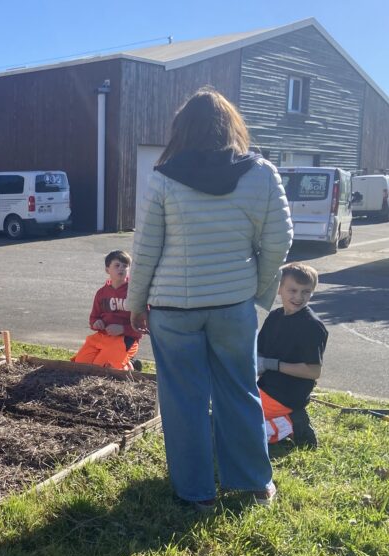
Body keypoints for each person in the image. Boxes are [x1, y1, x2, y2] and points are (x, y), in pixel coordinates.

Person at [128, 87, 293, 510]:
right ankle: (255, 483)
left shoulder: (164, 176)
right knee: (240, 391)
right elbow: (279, 241)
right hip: (233, 305)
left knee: (183, 401)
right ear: (231, 126)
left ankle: (196, 494)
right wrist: (256, 288)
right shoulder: (262, 173)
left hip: (173, 309)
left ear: (183, 129)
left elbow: (146, 247)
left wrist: (135, 303)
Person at [257, 262, 328, 448]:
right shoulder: (275, 317)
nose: (298, 297)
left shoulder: (312, 326)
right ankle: (282, 419)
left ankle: (290, 424)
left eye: (306, 291)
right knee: (226, 409)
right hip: (266, 387)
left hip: (286, 395)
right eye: (293, 290)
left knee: (236, 426)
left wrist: (271, 364)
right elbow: (260, 349)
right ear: (279, 288)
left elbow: (313, 371)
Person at [72, 250, 144, 371]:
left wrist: (122, 329)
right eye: (117, 265)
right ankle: (124, 361)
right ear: (107, 270)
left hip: (125, 338)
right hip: (102, 336)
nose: (121, 269)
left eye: (125, 266)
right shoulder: (101, 293)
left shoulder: (134, 293)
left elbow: (142, 326)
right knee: (80, 365)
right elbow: (93, 318)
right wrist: (96, 323)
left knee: (103, 368)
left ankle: (130, 364)